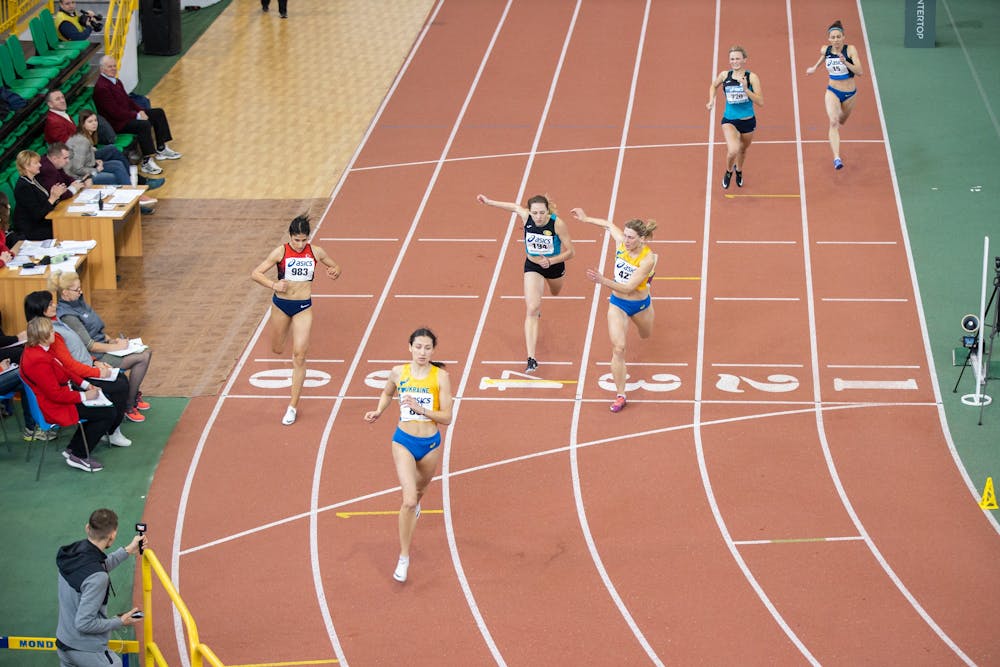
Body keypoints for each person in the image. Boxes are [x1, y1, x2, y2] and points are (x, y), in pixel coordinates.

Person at [363, 328, 453, 583]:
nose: (422, 352)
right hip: (403, 441)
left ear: (433, 350)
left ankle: (416, 502)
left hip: (430, 445)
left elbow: (447, 417)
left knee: (420, 493)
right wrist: (379, 410)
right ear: (410, 348)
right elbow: (387, 392)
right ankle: (404, 557)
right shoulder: (398, 372)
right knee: (409, 500)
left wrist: (421, 409)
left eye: (427, 348)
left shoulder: (441, 377)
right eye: (418, 347)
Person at [252, 215, 341, 425]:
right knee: (277, 348)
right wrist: (273, 285)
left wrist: (335, 271)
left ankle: (292, 406)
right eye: (296, 240)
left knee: (300, 356)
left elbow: (336, 266)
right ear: (290, 237)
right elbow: (255, 273)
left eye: (304, 240)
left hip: (303, 307)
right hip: (281, 306)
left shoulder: (316, 252)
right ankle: (284, 343)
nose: (300, 244)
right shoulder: (280, 252)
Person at [476, 193, 575, 372]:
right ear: (530, 211)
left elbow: (571, 252)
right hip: (533, 265)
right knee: (532, 308)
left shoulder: (557, 223)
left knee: (555, 292)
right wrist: (489, 202)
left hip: (554, 266)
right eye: (535, 213)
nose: (538, 217)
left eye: (542, 213)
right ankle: (531, 358)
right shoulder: (526, 217)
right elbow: (513, 207)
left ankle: (542, 298)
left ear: (548, 211)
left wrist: (551, 261)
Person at [571, 207, 657, 413]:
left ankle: (649, 281)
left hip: (640, 304)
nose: (625, 241)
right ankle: (621, 395)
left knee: (646, 335)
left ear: (642, 239)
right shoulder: (621, 243)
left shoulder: (648, 259)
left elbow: (628, 288)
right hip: (618, 303)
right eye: (625, 236)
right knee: (618, 348)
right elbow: (609, 225)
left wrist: (602, 280)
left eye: (630, 237)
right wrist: (585, 218)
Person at [25, 290, 132, 448]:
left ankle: (110, 429)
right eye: (50, 304)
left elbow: (77, 351)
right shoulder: (48, 341)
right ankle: (108, 432)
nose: (55, 305)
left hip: (82, 371)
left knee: (121, 381)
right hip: (74, 380)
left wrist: (95, 363)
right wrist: (87, 389)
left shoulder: (55, 325)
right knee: (119, 386)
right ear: (41, 311)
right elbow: (68, 367)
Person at [51, 270, 152, 423]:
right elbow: (90, 345)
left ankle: (132, 395)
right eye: (77, 289)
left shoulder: (79, 301)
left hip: (105, 346)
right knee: (142, 358)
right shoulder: (67, 315)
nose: (81, 291)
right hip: (96, 355)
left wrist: (113, 341)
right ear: (65, 293)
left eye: (80, 287)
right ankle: (129, 405)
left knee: (147, 351)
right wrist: (118, 348)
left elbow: (97, 329)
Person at [20, 317, 117, 472]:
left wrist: (85, 385)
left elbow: (65, 370)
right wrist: (86, 396)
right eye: (51, 331)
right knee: (107, 412)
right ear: (43, 336)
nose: (54, 333)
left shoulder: (40, 350)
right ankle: (79, 455)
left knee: (102, 407)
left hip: (61, 397)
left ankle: (74, 448)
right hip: (54, 406)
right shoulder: (38, 360)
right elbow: (55, 395)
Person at [56, 508, 145, 666]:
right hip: (87, 651)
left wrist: (127, 550)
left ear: (87, 528)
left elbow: (94, 569)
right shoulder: (98, 578)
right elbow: (84, 623)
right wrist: (119, 621)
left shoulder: (71, 553)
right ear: (113, 535)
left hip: (64, 645)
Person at [93, 56, 180, 176]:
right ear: (102, 69)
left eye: (114, 66)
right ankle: (147, 161)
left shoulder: (116, 81)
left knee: (157, 113)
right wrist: (136, 116)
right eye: (110, 67)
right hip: (117, 123)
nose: (113, 69)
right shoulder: (102, 88)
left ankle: (161, 147)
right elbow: (115, 112)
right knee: (144, 125)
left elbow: (128, 101)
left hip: (127, 116)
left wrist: (140, 111)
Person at [66, 110, 160, 210]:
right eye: (90, 121)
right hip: (82, 176)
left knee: (118, 164)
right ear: (83, 125)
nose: (94, 123)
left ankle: (133, 193)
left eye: (95, 120)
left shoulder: (91, 135)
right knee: (112, 152)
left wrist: (96, 160)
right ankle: (135, 196)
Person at [806, 20, 863, 170]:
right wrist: (814, 67)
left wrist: (846, 63)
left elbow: (860, 72)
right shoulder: (825, 49)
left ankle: (839, 123)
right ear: (829, 39)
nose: (836, 40)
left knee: (842, 121)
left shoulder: (850, 50)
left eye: (839, 37)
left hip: (850, 94)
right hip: (833, 90)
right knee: (833, 122)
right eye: (833, 37)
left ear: (844, 37)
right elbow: (823, 57)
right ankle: (837, 158)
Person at [707, 45, 763, 189]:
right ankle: (728, 171)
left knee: (743, 150)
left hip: (748, 120)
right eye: (732, 59)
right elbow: (713, 86)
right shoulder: (725, 75)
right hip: (730, 120)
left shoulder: (752, 77)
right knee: (733, 149)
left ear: (744, 59)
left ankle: (739, 171)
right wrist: (711, 100)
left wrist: (745, 89)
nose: (735, 61)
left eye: (738, 58)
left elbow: (760, 102)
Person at [12, 150, 67, 241]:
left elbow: (43, 203)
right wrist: (52, 198)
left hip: (41, 223)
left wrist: (54, 195)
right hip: (32, 229)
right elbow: (37, 215)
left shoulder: (34, 179)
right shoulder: (23, 187)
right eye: (36, 163)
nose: (40, 165)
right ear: (26, 166)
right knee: (64, 228)